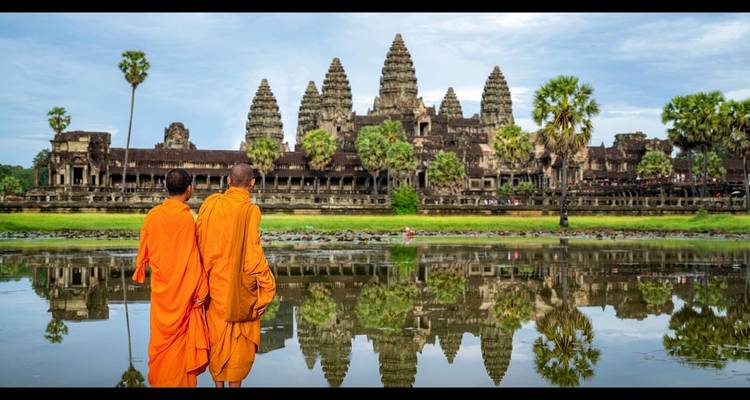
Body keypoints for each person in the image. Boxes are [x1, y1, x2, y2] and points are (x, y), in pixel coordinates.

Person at [196, 163, 276, 388]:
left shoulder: (210, 204)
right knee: (237, 341)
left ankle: (218, 386)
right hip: (240, 291)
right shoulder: (250, 211)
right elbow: (253, 256)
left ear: (228, 181)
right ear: (252, 183)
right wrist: (267, 289)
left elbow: (200, 243)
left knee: (217, 338)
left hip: (214, 287)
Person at [132, 168, 209, 387]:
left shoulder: (153, 215)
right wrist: (202, 288)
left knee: (161, 344)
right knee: (180, 348)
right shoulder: (186, 220)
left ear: (166, 188)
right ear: (189, 189)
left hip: (162, 292)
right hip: (183, 294)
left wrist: (140, 269)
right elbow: (194, 259)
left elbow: (143, 251)